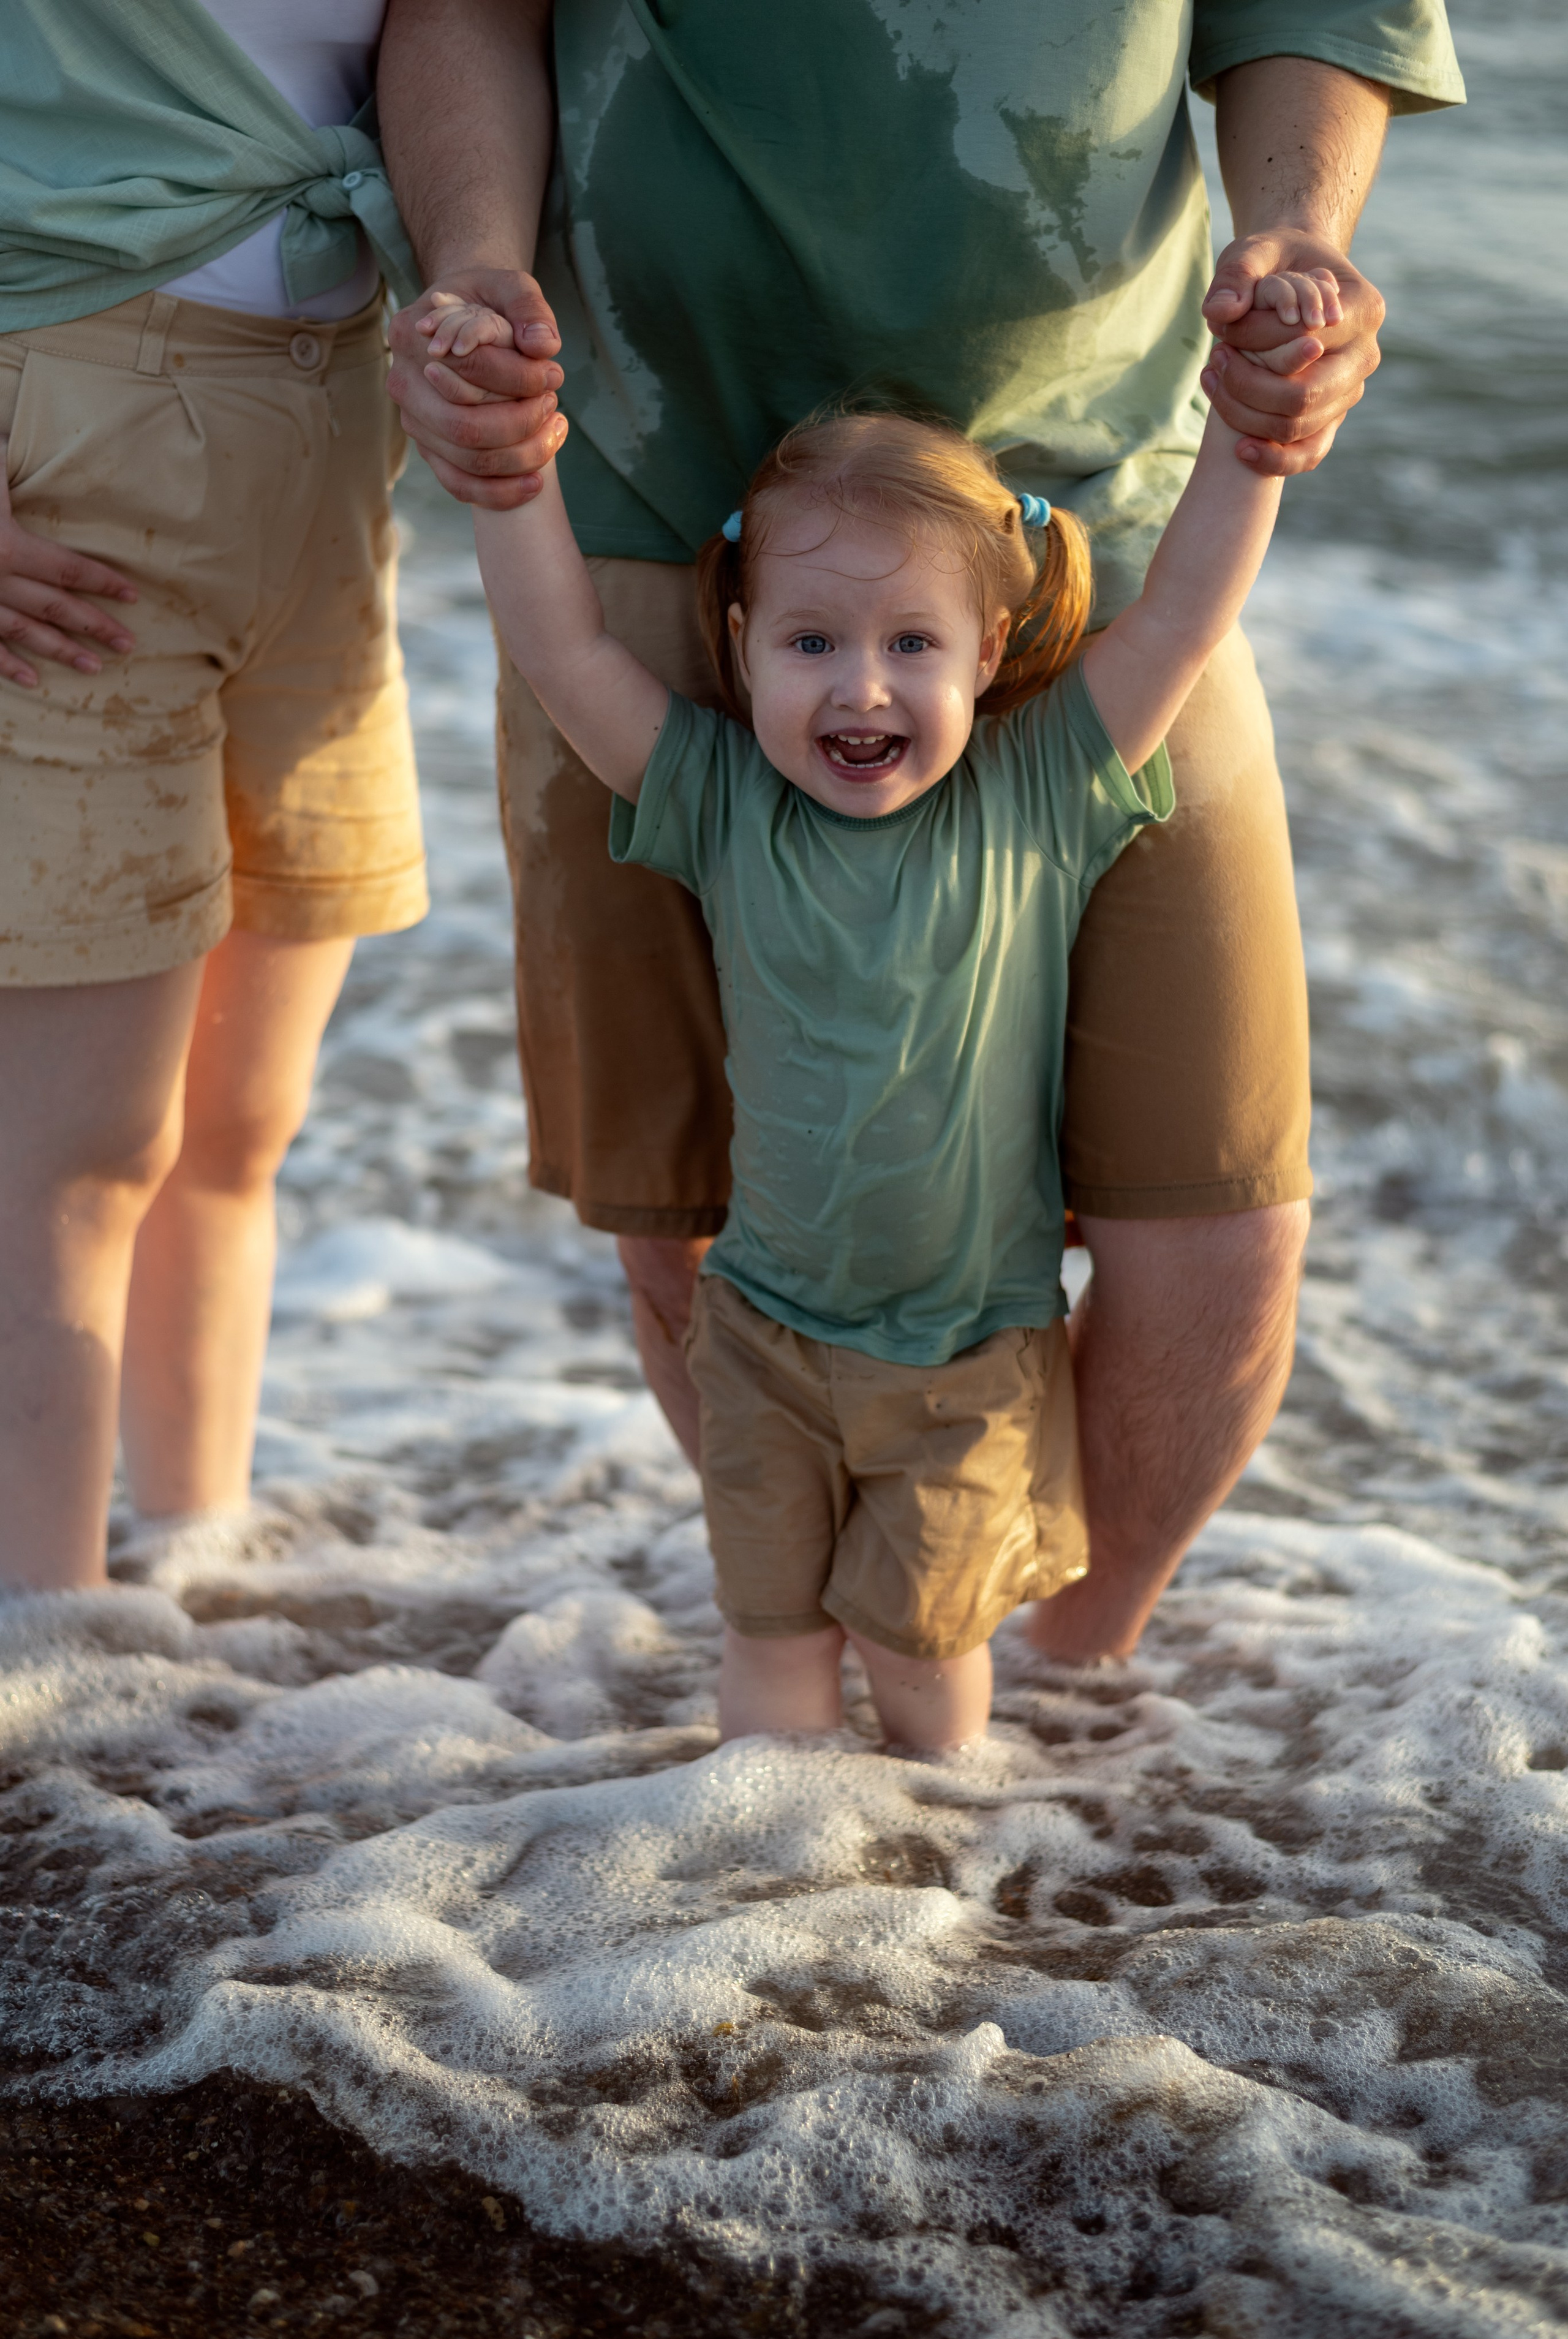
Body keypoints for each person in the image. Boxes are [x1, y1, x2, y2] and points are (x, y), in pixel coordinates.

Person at [378, 1, 1464, 1663]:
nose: (861, 691)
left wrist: (1292, 277)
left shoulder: (1078, 734)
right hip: (653, 485)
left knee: (1222, 1224)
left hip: (1094, 501)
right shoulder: (699, 762)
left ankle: (1064, 1684)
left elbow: (1312, 18)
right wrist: (478, 299)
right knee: (684, 1227)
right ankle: (841, 1689)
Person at [431, 252, 1324, 1744]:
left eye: (912, 643)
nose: (860, 688)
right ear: (740, 648)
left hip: (964, 1362)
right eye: (812, 643)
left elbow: (1176, 616)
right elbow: (562, 646)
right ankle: (763, 1858)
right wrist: (509, 478)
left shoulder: (1039, 793)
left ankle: (924, 1869)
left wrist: (1249, 440)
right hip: (761, 1341)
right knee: (768, 1650)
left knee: (922, 1673)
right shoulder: (719, 799)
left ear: (989, 652)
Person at [0, 1, 426, 1592]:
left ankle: (204, 1573)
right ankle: (47, 1647)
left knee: (238, 1126)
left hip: (337, 431)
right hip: (67, 415)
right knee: (77, 1148)